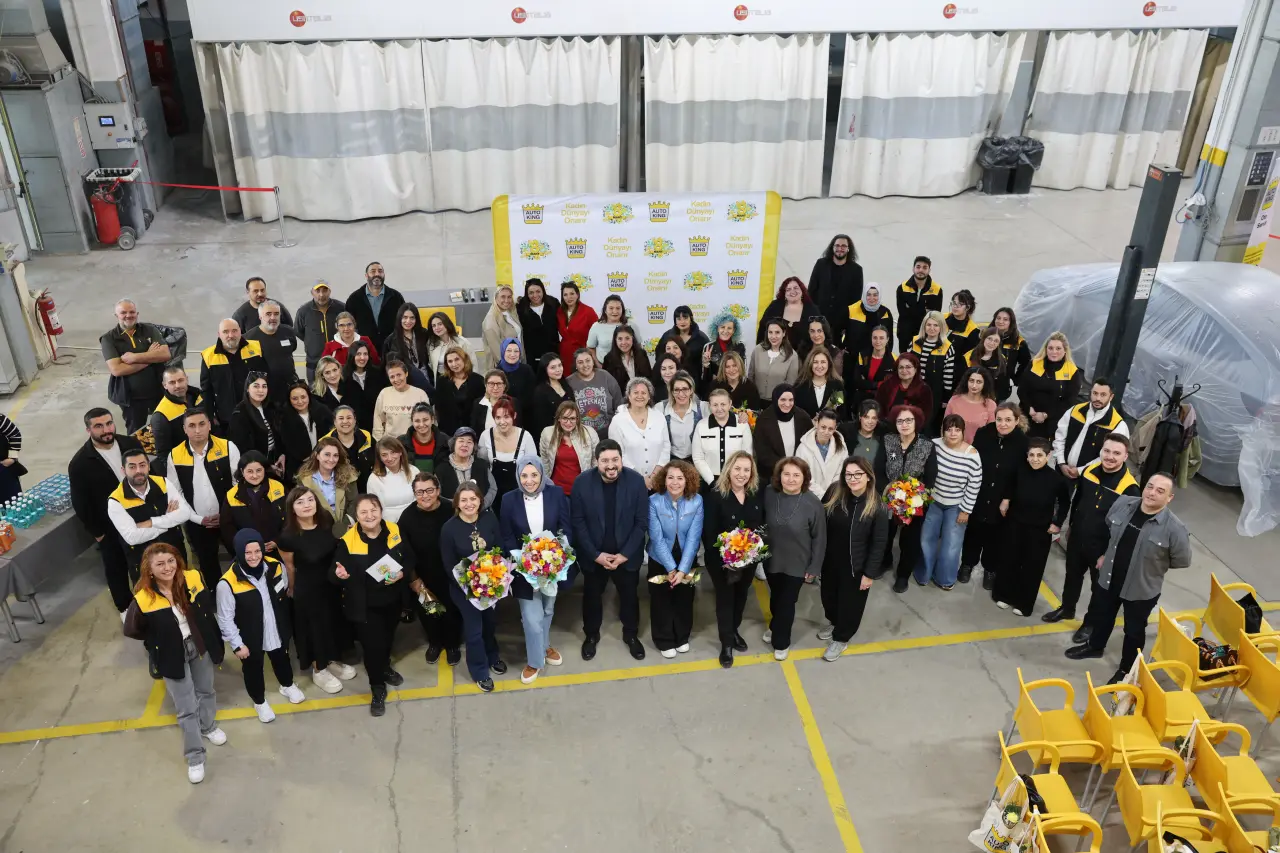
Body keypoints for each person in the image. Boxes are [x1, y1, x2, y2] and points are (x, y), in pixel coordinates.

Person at [1064, 473, 1191, 682]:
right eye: (1150, 486)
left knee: (1133, 631)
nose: (1152, 493)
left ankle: (1126, 670)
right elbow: (1110, 529)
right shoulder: (1123, 504)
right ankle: (1095, 646)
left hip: (1141, 588)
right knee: (1103, 615)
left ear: (1170, 498)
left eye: (1160, 491)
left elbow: (1181, 560)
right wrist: (1106, 555)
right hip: (1110, 577)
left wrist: (1151, 567)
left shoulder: (1174, 529)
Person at [122, 542, 225, 783]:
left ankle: (208, 727)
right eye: (160, 564)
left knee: (206, 690)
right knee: (186, 707)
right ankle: (195, 756)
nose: (168, 568)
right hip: (171, 653)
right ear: (149, 570)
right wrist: (157, 641)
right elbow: (133, 629)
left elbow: (205, 608)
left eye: (171, 561)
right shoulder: (143, 598)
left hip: (197, 645)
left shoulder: (193, 578)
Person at [1041, 435, 1141, 633]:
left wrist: (1109, 554)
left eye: (1116, 453)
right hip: (1078, 538)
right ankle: (1067, 609)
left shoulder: (1130, 488)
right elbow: (1078, 500)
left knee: (1099, 589)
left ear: (1125, 456)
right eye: (1107, 451)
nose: (1110, 456)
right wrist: (1071, 526)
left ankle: (1090, 624)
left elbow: (1128, 529)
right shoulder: (1089, 471)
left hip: (1102, 548)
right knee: (1072, 576)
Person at [332, 493, 420, 714]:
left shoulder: (394, 530)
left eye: (374, 510)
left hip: (392, 601)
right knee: (372, 647)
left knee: (388, 639)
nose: (370, 515)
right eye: (364, 512)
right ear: (356, 516)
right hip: (365, 606)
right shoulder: (348, 540)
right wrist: (339, 575)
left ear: (381, 511)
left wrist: (402, 572)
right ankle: (377, 687)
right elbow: (333, 573)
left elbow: (409, 557)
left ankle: (385, 667)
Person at [571, 439, 650, 661]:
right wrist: (595, 555)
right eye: (605, 460)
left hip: (626, 555)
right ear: (596, 461)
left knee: (629, 597)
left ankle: (631, 635)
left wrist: (624, 555)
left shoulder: (636, 482)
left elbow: (641, 523)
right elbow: (578, 522)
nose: (611, 465)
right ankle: (591, 635)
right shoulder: (581, 483)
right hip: (594, 556)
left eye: (615, 459)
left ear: (621, 459)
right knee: (591, 597)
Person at [216, 529, 305, 722]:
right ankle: (259, 701)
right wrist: (237, 645)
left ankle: (287, 685)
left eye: (257, 551)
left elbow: (283, 592)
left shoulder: (276, 567)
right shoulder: (227, 583)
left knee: (282, 658)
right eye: (247, 552)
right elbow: (225, 618)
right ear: (239, 552)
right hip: (250, 637)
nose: (254, 556)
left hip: (276, 628)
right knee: (253, 669)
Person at [500, 455, 571, 683]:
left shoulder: (556, 494)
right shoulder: (509, 499)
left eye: (534, 475)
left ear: (542, 475)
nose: (529, 480)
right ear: (518, 477)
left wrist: (556, 556)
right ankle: (534, 661)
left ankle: (545, 644)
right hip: (523, 568)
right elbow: (506, 535)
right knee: (531, 618)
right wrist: (523, 560)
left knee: (548, 609)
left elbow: (565, 528)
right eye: (524, 476)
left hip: (552, 566)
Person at [277, 486, 355, 694]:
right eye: (300, 502)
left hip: (331, 584)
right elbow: (290, 567)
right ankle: (318, 669)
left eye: (310, 500)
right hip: (307, 589)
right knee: (314, 630)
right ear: (292, 508)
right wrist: (292, 589)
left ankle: (330, 660)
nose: (306, 505)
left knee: (332, 624)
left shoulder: (326, 521)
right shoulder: (287, 536)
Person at [70, 408, 143, 616]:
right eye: (99, 426)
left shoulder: (130, 443)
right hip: (110, 527)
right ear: (88, 430)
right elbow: (81, 503)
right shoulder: (80, 463)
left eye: (109, 423)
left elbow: (149, 473)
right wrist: (98, 533)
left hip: (140, 515)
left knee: (145, 561)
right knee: (116, 567)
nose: (106, 430)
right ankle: (125, 609)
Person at [819, 456, 888, 660]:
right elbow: (820, 521)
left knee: (850, 605)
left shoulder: (877, 506)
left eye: (858, 474)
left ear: (868, 476)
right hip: (830, 562)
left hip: (856, 566)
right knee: (828, 598)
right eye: (848, 474)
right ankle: (834, 623)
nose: (853, 479)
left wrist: (869, 574)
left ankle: (841, 638)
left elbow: (879, 543)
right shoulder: (834, 492)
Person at [439, 482, 506, 691]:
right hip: (464, 590)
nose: (469, 504)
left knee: (490, 624)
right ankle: (479, 671)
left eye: (473, 499)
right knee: (474, 630)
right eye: (464, 500)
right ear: (457, 503)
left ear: (480, 501)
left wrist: (495, 578)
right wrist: (471, 587)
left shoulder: (489, 518)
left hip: (491, 585)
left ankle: (493, 656)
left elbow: (500, 547)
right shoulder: (449, 528)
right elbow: (449, 565)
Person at [993, 439, 1071, 617]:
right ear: (1027, 456)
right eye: (1032, 455)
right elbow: (1010, 486)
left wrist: (1057, 523)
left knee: (1032, 566)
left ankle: (1024, 603)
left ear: (1048, 456)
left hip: (1040, 529)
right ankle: (1003, 595)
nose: (1035, 459)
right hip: (1015, 523)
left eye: (1040, 455)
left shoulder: (1056, 479)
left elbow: (1064, 503)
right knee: (1009, 559)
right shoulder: (1019, 471)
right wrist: (1006, 500)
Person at [702, 451, 764, 667]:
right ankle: (726, 643)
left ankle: (734, 630)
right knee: (726, 600)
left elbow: (760, 526)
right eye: (737, 468)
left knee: (741, 597)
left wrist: (753, 552)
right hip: (722, 562)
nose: (741, 474)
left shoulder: (755, 493)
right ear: (729, 469)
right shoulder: (716, 495)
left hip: (748, 560)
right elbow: (709, 534)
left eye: (747, 470)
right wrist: (727, 559)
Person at [166, 408, 238, 589]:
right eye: (191, 426)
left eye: (201, 424)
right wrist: (198, 519)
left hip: (229, 518)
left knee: (240, 555)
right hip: (198, 523)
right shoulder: (174, 456)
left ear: (209, 425)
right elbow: (176, 495)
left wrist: (226, 514)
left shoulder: (228, 447)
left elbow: (238, 485)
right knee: (208, 564)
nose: (197, 430)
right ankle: (215, 594)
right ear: (184, 429)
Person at [762, 457, 826, 660]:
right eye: (786, 474)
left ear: (804, 478)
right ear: (779, 476)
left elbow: (820, 538)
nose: (791, 479)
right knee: (776, 597)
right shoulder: (769, 493)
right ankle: (775, 625)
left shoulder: (813, 503)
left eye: (796, 475)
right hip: (771, 560)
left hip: (798, 563)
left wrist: (814, 567)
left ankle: (781, 642)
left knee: (787, 602)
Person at [398, 473, 462, 666]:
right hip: (423, 576)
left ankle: (452, 645)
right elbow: (404, 552)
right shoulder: (407, 517)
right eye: (419, 492)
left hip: (451, 574)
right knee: (429, 612)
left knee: (452, 611)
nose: (425, 495)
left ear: (438, 490)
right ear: (414, 493)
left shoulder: (451, 509)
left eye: (429, 490)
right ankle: (434, 643)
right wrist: (413, 579)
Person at [963, 403, 1029, 589]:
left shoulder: (1023, 442)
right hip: (980, 491)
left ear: (1017, 420)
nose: (1003, 424)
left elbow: (1020, 474)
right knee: (973, 531)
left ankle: (990, 569)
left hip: (1002, 496)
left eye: (1008, 420)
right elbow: (973, 461)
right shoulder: (984, 433)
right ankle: (967, 564)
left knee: (996, 535)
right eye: (999, 419)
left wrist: (1007, 498)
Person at [916, 414, 982, 590]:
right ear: (942, 431)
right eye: (949, 429)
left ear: (963, 432)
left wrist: (966, 510)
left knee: (951, 545)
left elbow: (974, 485)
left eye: (957, 430)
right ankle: (923, 574)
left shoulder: (972, 455)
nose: (952, 433)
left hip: (956, 506)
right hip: (934, 502)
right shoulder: (934, 445)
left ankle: (945, 579)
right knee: (926, 539)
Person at [646, 460, 703, 659]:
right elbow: (656, 538)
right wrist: (671, 568)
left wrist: (683, 569)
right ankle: (664, 639)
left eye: (680, 478)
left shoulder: (697, 501)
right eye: (670, 477)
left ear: (687, 481)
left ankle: (682, 636)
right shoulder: (654, 501)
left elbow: (694, 538)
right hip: (659, 559)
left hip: (688, 557)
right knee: (660, 600)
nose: (675, 482)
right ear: (664, 479)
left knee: (685, 598)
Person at [107, 447, 189, 581]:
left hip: (174, 555)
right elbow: (132, 537)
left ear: (149, 466)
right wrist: (168, 522)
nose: (138, 471)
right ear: (123, 470)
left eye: (142, 465)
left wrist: (151, 522)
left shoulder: (163, 483)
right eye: (132, 467)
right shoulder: (116, 501)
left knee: (182, 588)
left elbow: (185, 513)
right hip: (143, 564)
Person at [877, 405, 936, 591]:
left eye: (909, 420)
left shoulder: (927, 445)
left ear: (916, 422)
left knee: (910, 540)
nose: (905, 424)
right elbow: (878, 469)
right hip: (889, 497)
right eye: (900, 421)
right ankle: (885, 561)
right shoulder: (888, 440)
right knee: (885, 533)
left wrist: (915, 498)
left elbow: (930, 477)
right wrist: (889, 491)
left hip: (914, 500)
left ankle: (903, 574)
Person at [101, 299, 170, 433]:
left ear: (137, 314)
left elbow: (165, 354)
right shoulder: (108, 339)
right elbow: (117, 370)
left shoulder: (149, 330)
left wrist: (134, 358)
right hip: (131, 398)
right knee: (136, 431)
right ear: (116, 316)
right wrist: (150, 357)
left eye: (132, 312)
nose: (128, 315)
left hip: (158, 390)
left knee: (164, 425)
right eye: (123, 313)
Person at [1052, 377, 1130, 479]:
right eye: (1095, 393)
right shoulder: (1074, 411)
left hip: (1090, 478)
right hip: (1061, 471)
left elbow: (1110, 457)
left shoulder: (1117, 425)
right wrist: (1061, 463)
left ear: (1111, 397)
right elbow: (1059, 438)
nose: (1098, 398)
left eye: (1103, 395)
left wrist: (1081, 471)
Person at [201, 319, 267, 436]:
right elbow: (206, 390)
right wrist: (209, 416)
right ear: (219, 334)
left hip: (256, 413)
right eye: (225, 332)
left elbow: (267, 378)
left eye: (234, 331)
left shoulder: (256, 348)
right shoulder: (209, 356)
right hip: (227, 418)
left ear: (240, 331)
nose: (231, 335)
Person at [476, 396, 537, 513]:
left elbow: (534, 468)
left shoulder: (525, 437)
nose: (502, 422)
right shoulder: (486, 436)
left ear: (514, 416)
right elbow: (481, 467)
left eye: (506, 417)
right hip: (493, 495)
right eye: (498, 417)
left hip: (520, 494)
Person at [608, 377, 670, 489]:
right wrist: (640, 478)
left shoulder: (659, 416)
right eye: (635, 392)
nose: (640, 396)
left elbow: (666, 446)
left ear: (649, 396)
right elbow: (618, 453)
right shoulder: (618, 421)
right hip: (629, 481)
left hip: (657, 479)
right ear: (629, 396)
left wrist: (655, 475)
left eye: (644, 393)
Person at [220, 451, 287, 554]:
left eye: (259, 470)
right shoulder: (231, 495)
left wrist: (277, 541)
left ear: (265, 469)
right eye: (250, 471)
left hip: (279, 550)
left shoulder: (278, 488)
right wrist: (247, 548)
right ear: (242, 471)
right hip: (248, 553)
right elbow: (227, 529)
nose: (255, 476)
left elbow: (290, 519)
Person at [1019, 331, 1082, 441]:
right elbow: (1022, 390)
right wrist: (1029, 409)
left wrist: (1045, 415)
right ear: (1046, 349)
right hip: (1027, 416)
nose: (1054, 352)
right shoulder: (1034, 364)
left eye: (1058, 348)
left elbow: (1069, 401)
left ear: (1065, 350)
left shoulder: (1072, 371)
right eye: (1050, 348)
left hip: (1052, 423)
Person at [296, 438, 360, 537]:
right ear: (317, 455)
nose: (331, 459)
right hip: (317, 530)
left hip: (345, 528)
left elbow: (354, 502)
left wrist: (344, 525)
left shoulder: (348, 476)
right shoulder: (304, 480)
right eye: (327, 454)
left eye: (335, 455)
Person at [808, 234, 864, 348]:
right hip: (819, 319)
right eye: (837, 245)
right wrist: (813, 316)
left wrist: (847, 324)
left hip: (840, 324)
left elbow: (855, 300)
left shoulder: (856, 270)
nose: (840, 248)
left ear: (848, 249)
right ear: (832, 247)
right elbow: (811, 291)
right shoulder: (821, 264)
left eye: (843, 246)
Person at [229, 373, 286, 479]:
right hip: (255, 467)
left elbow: (279, 435)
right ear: (247, 389)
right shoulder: (239, 413)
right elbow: (242, 450)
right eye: (256, 386)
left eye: (264, 386)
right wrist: (266, 466)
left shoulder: (270, 407)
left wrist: (282, 454)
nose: (261, 390)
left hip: (274, 460)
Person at [148, 367, 204, 474]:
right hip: (188, 466)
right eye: (172, 382)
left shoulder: (198, 396)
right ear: (165, 385)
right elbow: (164, 455)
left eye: (180, 380)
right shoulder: (161, 416)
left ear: (187, 379)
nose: (177, 385)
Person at [753, 384, 813, 483]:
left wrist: (796, 467)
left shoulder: (803, 418)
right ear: (776, 399)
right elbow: (762, 451)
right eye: (783, 400)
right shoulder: (763, 419)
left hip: (798, 474)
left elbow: (810, 444)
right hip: (770, 476)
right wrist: (784, 467)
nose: (787, 404)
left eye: (791, 400)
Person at [692, 388, 752, 487]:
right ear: (709, 406)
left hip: (736, 480)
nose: (719, 408)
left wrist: (737, 478)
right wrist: (711, 481)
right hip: (709, 481)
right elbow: (698, 457)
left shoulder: (742, 425)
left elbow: (747, 455)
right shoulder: (701, 426)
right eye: (715, 405)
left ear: (730, 404)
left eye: (723, 404)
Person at [911, 311, 961, 425]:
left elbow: (948, 376)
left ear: (941, 327)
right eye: (928, 325)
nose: (932, 328)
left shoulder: (948, 347)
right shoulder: (914, 342)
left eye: (936, 325)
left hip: (934, 393)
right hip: (914, 390)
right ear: (924, 326)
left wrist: (946, 398)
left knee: (928, 423)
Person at [245, 301, 300, 404]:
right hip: (265, 392)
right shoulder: (249, 339)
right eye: (268, 314)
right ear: (260, 317)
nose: (273, 317)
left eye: (276, 314)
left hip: (289, 387)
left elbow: (291, 349)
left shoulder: (288, 332)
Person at [539, 401, 597, 496]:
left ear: (577, 419)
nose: (568, 423)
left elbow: (596, 462)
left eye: (572, 418)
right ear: (558, 418)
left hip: (582, 490)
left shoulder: (590, 433)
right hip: (556, 490)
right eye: (565, 418)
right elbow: (544, 462)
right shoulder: (547, 433)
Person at [279, 379, 335, 477]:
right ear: (289, 400)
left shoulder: (322, 411)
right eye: (295, 399)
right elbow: (287, 444)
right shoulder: (284, 417)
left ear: (309, 396)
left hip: (324, 461)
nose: (300, 402)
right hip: (299, 465)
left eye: (303, 397)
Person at [294, 280, 345, 381]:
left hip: (338, 361)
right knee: (315, 390)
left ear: (330, 292)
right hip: (314, 363)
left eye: (325, 290)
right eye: (318, 291)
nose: (321, 295)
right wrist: (312, 341)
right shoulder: (303, 311)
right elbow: (298, 331)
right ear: (312, 292)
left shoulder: (341, 308)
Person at [346, 261, 406, 344]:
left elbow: (404, 321)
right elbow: (348, 324)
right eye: (373, 271)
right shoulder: (354, 299)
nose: (377, 274)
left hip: (392, 346)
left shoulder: (396, 297)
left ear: (384, 275)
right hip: (364, 348)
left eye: (380, 271)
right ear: (366, 276)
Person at [436, 427, 497, 508]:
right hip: (451, 512)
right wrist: (458, 507)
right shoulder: (441, 468)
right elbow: (437, 494)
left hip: (480, 511)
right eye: (461, 441)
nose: (465, 445)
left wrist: (480, 506)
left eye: (469, 442)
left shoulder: (482, 465)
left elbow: (492, 488)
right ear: (454, 444)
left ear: (474, 446)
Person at [567, 347, 623, 435]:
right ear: (576, 365)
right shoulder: (569, 382)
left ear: (593, 361)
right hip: (582, 434)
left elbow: (619, 403)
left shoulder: (605, 376)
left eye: (588, 361)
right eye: (580, 362)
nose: (585, 365)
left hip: (608, 431)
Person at [895, 256, 943, 355]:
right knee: (905, 361)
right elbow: (903, 314)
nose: (921, 270)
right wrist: (924, 310)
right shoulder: (902, 288)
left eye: (925, 267)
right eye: (918, 267)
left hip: (926, 335)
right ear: (913, 269)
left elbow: (934, 316)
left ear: (929, 270)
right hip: (905, 334)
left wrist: (911, 308)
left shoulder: (937, 290)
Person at [796, 409, 849, 500]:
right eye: (823, 427)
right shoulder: (803, 448)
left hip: (834, 497)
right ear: (817, 424)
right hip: (809, 498)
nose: (826, 432)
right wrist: (823, 496)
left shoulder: (842, 447)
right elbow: (804, 477)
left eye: (830, 429)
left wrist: (832, 494)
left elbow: (842, 472)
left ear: (835, 428)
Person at [372, 360, 430, 440]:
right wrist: (379, 442)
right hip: (391, 443)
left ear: (406, 374)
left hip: (414, 442)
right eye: (392, 377)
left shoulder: (420, 394)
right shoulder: (384, 393)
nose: (396, 379)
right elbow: (378, 420)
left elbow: (428, 421)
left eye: (399, 375)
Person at [434, 346, 485, 436]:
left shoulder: (478, 380)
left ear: (464, 359)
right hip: (448, 432)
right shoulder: (442, 381)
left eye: (457, 359)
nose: (454, 364)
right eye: (450, 361)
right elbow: (439, 408)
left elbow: (481, 409)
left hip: (472, 431)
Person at [339, 340, 387, 433]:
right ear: (352, 355)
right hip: (352, 427)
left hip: (376, 424)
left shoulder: (378, 374)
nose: (362, 357)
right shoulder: (343, 376)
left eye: (365, 354)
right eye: (358, 354)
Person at [748, 318, 801, 402]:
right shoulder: (758, 350)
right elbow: (751, 376)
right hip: (755, 400)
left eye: (777, 332)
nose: (773, 336)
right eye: (770, 332)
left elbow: (790, 385)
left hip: (778, 402)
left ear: (784, 333)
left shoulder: (792, 356)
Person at [656, 370, 704, 461]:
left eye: (685, 389)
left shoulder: (703, 407)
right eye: (677, 390)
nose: (681, 394)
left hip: (697, 460)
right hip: (670, 459)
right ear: (672, 392)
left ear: (691, 390)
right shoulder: (660, 408)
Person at [757, 277, 813, 353]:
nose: (792, 291)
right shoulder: (775, 306)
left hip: (803, 356)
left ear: (802, 290)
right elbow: (763, 330)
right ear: (784, 293)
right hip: (774, 354)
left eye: (796, 288)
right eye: (788, 289)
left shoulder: (811, 309)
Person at [875, 352, 933, 426]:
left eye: (908, 367)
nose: (904, 370)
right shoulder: (887, 385)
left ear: (915, 369)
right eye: (901, 367)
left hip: (911, 428)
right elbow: (878, 408)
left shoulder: (924, 389)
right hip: (887, 427)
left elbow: (925, 416)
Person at [368, 437, 417, 522]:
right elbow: (373, 507)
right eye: (384, 455)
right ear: (380, 457)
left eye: (393, 452)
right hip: (388, 524)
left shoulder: (414, 471)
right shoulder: (374, 478)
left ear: (400, 452)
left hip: (413, 521)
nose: (389, 458)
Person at [326, 405, 375, 489]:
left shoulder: (366, 436)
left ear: (355, 420)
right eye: (341, 418)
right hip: (339, 489)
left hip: (367, 487)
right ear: (335, 422)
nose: (345, 421)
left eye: (349, 418)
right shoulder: (326, 442)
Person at [699, 310, 748, 395]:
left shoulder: (740, 346)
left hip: (734, 389)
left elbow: (742, 373)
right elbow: (705, 379)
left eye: (729, 328)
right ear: (717, 329)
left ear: (734, 330)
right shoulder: (708, 347)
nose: (725, 331)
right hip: (715, 390)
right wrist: (706, 364)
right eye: (722, 327)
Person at [944, 366, 997, 443]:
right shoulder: (954, 400)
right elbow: (945, 426)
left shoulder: (990, 405)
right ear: (967, 381)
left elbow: (991, 433)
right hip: (953, 445)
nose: (974, 385)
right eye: (971, 381)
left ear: (984, 384)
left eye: (979, 382)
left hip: (977, 448)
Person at [528, 353, 574, 440]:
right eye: (553, 367)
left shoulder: (566, 385)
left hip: (571, 433)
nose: (558, 370)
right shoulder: (540, 391)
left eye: (560, 365)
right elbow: (540, 421)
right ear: (545, 370)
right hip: (552, 436)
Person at [849, 326, 896, 409]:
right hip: (863, 400)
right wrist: (878, 384)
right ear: (871, 339)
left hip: (883, 401)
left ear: (887, 339)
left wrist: (866, 383)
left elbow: (891, 385)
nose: (878, 341)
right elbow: (857, 381)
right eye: (875, 338)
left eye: (881, 338)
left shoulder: (894, 360)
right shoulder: (862, 355)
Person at [479, 285, 524, 371]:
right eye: (503, 297)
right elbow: (497, 352)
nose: (506, 300)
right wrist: (511, 369)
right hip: (505, 368)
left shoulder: (510, 313)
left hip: (516, 362)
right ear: (496, 298)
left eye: (509, 297)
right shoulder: (491, 320)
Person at [794, 346, 846, 419]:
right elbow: (796, 414)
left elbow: (842, 414)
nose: (819, 366)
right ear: (810, 364)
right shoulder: (799, 386)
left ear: (829, 364)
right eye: (815, 362)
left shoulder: (837, 386)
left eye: (823, 362)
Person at [516, 278, 560, 364]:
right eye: (531, 293)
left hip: (553, 353)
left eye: (538, 291)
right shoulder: (521, 308)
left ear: (543, 290)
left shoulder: (553, 303)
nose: (535, 295)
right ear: (527, 294)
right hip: (532, 357)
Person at [381, 303, 431, 376]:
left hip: (425, 376)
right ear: (399, 318)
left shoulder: (424, 334)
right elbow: (386, 366)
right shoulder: (390, 340)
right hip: (403, 378)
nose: (408, 321)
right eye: (405, 317)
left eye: (412, 318)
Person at [657, 305, 710, 375]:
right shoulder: (667, 336)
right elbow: (659, 356)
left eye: (685, 318)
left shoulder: (702, 338)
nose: (682, 322)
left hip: (694, 377)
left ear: (691, 319)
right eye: (679, 319)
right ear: (675, 321)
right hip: (670, 376)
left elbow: (707, 362)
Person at [557, 280, 599, 367]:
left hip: (583, 354)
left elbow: (598, 333)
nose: (569, 297)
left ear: (577, 294)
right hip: (565, 354)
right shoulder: (560, 312)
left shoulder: (588, 311)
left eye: (572, 294)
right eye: (565, 295)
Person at [844, 285, 893, 358]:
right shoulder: (851, 310)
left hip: (877, 356)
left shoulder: (886, 312)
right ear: (864, 295)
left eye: (875, 295)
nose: (872, 298)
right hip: (853, 357)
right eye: (868, 295)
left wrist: (887, 355)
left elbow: (890, 338)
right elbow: (839, 330)